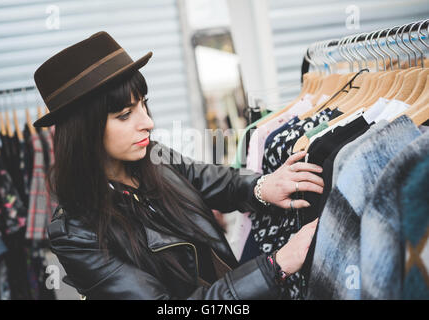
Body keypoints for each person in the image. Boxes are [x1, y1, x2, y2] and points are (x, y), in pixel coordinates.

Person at [33, 31, 324, 299]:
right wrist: (274, 267)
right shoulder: (76, 233)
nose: (148, 122)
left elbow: (218, 181)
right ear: (85, 133)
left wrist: (263, 185)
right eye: (125, 114)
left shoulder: (155, 159)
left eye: (143, 104)